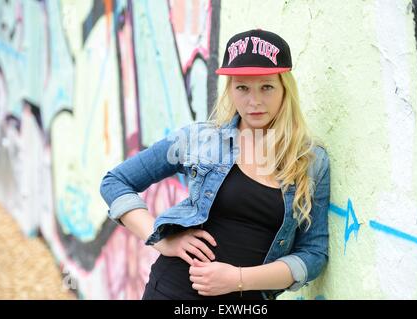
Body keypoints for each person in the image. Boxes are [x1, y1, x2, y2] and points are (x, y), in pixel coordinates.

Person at [100, 29, 330, 300]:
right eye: (242, 88)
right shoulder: (200, 139)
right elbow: (115, 182)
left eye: (266, 87)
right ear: (230, 90)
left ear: (284, 89)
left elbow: (314, 253)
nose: (254, 101)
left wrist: (238, 280)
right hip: (173, 291)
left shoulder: (310, 160)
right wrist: (163, 240)